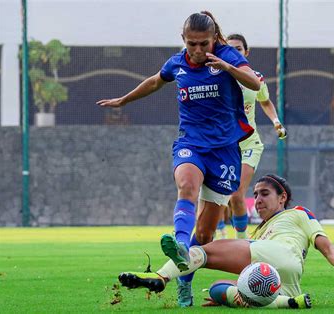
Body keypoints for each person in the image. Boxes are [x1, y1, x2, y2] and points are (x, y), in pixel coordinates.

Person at [97, 11, 261, 307]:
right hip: (191, 143)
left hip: (224, 151)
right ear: (183, 40)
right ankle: (180, 245)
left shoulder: (225, 55)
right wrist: (124, 99)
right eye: (191, 44)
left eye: (203, 44)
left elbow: (255, 83)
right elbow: (154, 81)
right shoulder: (177, 62)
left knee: (206, 232)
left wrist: (225, 65)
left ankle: (184, 280)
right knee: (186, 185)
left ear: (214, 40)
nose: (198, 51)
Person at [118, 174, 334, 309]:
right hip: (284, 282)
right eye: (255, 194)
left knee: (205, 251)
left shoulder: (297, 212)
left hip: (279, 255)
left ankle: (161, 278)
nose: (257, 199)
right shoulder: (258, 233)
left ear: (283, 198)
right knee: (217, 289)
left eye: (265, 194)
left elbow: (319, 237)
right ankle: (289, 303)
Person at [216, 34, 287, 240]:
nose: (234, 52)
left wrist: (276, 121)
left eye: (238, 49)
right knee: (219, 192)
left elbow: (264, 101)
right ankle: (219, 233)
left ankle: (242, 240)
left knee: (237, 193)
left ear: (246, 52)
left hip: (249, 142)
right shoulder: (216, 77)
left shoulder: (255, 78)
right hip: (223, 143)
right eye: (229, 48)